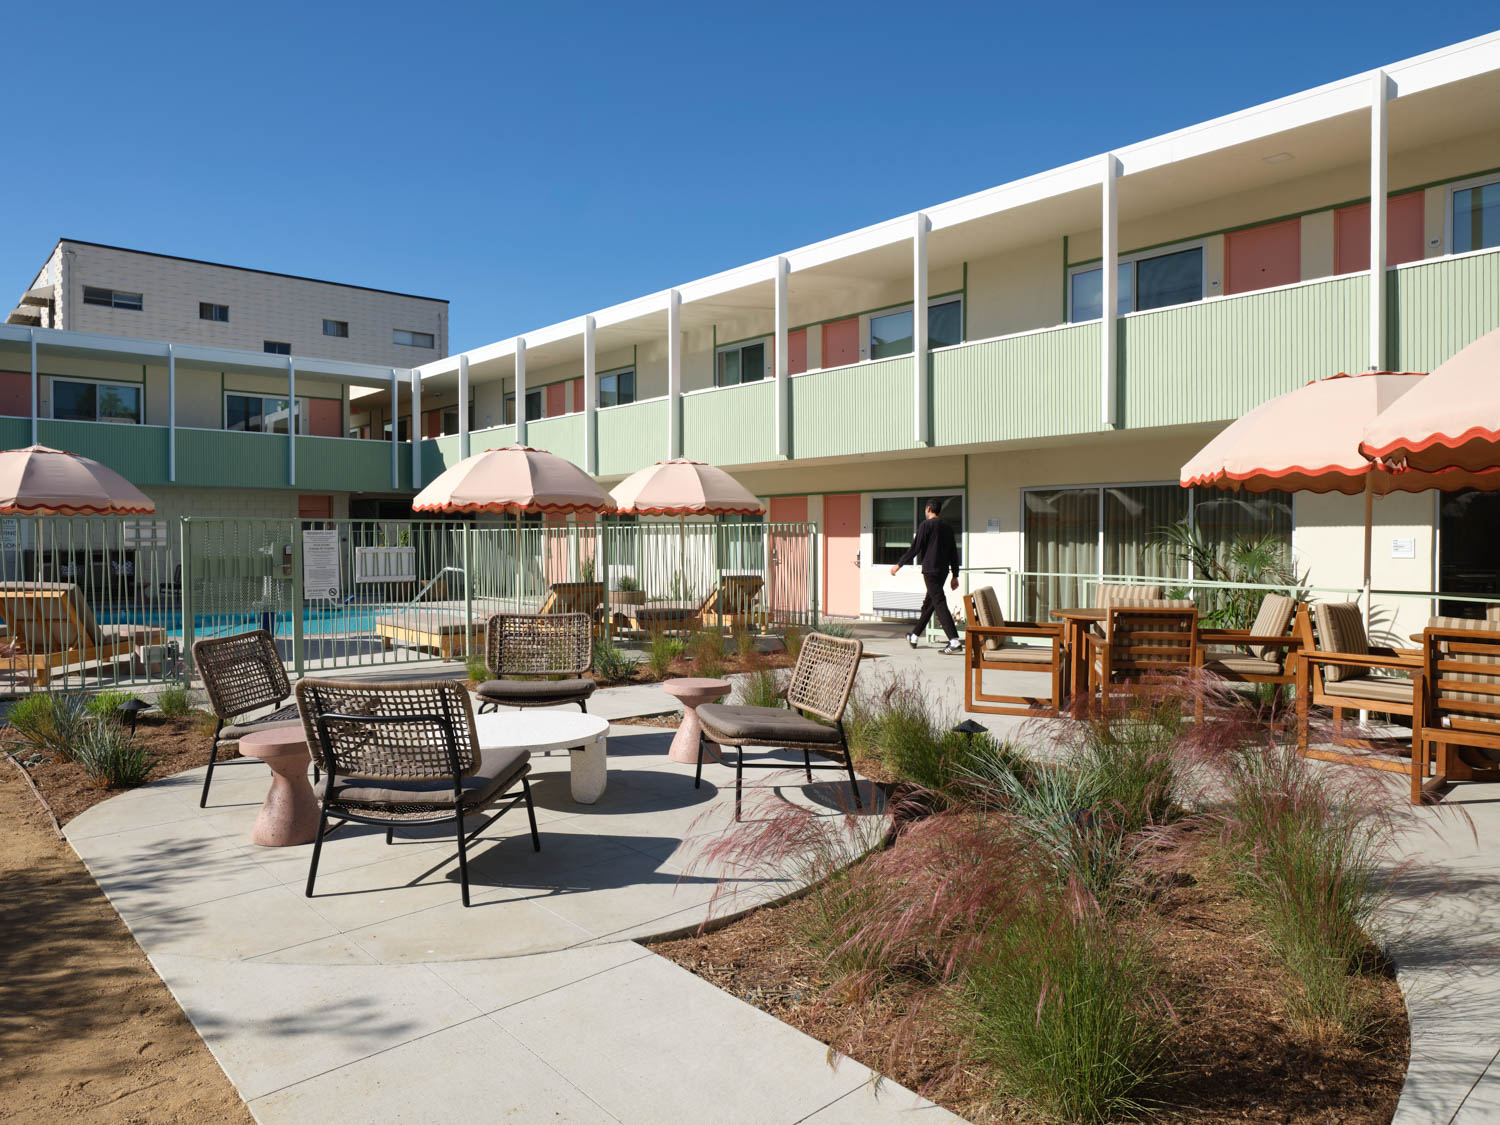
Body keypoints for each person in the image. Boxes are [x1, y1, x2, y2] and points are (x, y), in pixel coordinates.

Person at [889, 499, 962, 653]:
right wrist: (955, 574)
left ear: (928, 509)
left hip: (930, 571)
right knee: (930, 603)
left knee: (939, 602)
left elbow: (915, 548)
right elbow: (953, 553)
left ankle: (954, 640)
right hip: (942, 571)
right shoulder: (947, 527)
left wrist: (899, 564)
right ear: (939, 511)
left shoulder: (925, 525)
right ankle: (914, 636)